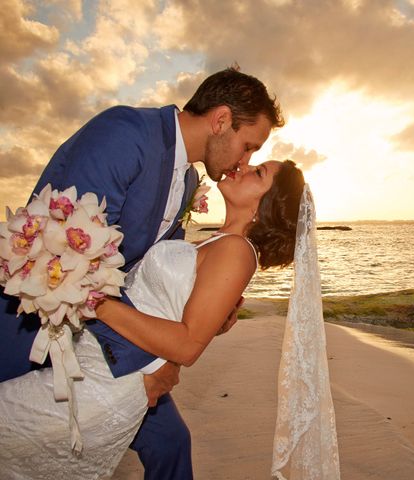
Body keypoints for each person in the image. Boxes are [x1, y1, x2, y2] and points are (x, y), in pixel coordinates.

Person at [0, 67, 284, 479]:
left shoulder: (187, 181)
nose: (245, 160)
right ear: (221, 120)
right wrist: (156, 362)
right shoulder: (125, 134)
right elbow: (67, 255)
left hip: (105, 337)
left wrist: (208, 308)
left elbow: (145, 274)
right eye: (247, 146)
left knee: (171, 444)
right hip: (31, 325)